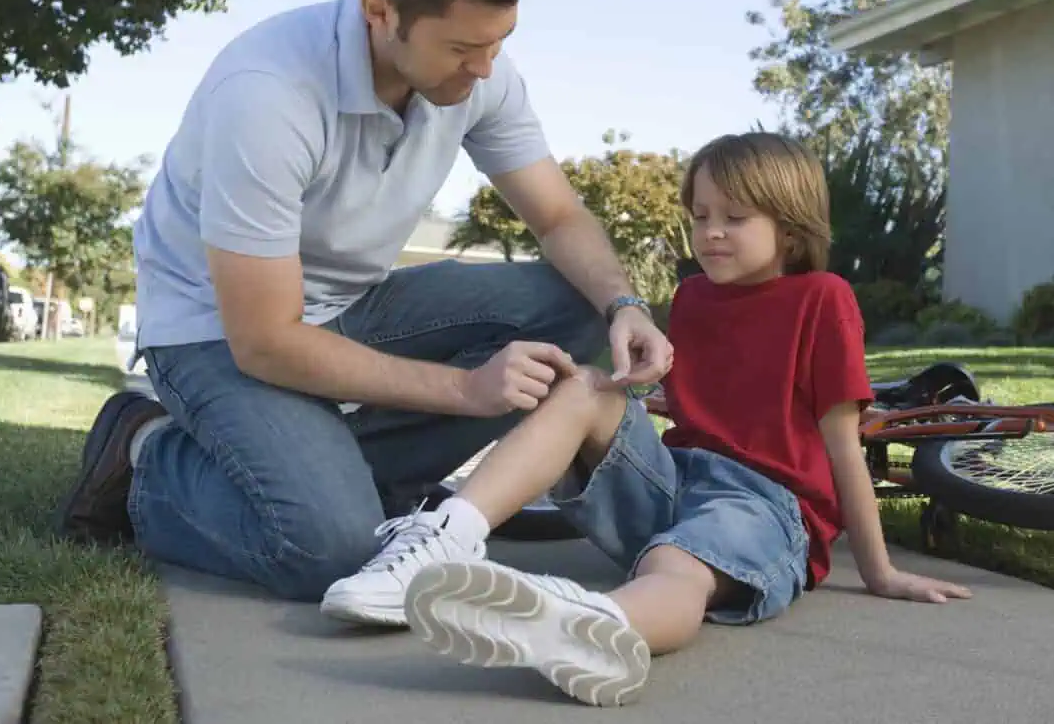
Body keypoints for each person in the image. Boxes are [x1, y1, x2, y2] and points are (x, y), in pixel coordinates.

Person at [54, 0, 674, 602]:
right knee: (333, 547)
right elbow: (266, 342)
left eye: (500, 42)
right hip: (215, 332)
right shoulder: (266, 94)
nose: (484, 70)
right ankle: (148, 456)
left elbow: (561, 219)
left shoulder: (479, 73)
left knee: (575, 302)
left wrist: (624, 305)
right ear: (380, 11)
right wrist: (466, 390)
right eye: (463, 48)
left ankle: (338, 474)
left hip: (355, 304)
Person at [321, 131, 973, 706]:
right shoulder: (689, 299)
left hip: (767, 507)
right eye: (700, 215)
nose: (710, 231)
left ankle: (597, 625)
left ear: (792, 229)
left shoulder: (821, 299)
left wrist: (878, 568)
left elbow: (842, 445)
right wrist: (631, 380)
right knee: (585, 387)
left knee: (679, 567)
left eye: (735, 217)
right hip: (673, 483)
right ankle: (449, 533)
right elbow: (676, 405)